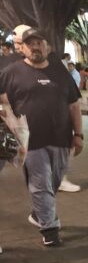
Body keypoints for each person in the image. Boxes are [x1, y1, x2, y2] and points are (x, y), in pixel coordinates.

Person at [0, 26, 83, 246]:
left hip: (61, 139)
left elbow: (74, 105)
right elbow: (2, 100)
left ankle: (39, 214)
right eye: (31, 44)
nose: (36, 47)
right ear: (23, 48)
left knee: (53, 182)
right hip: (30, 141)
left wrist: (79, 135)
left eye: (40, 43)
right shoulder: (12, 72)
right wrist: (8, 119)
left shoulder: (60, 71)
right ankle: (50, 229)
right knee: (41, 183)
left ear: (46, 46)